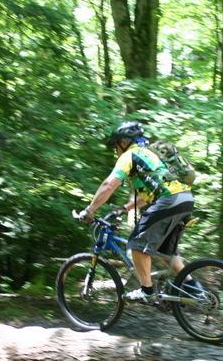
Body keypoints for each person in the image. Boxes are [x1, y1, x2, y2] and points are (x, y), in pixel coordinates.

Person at [77, 121, 195, 303]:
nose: (115, 150)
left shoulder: (130, 155)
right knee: (166, 254)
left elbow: (109, 185)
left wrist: (89, 210)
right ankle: (195, 291)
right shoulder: (149, 156)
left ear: (124, 142)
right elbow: (150, 194)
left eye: (116, 145)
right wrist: (124, 208)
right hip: (184, 199)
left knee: (135, 244)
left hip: (169, 201)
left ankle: (146, 291)